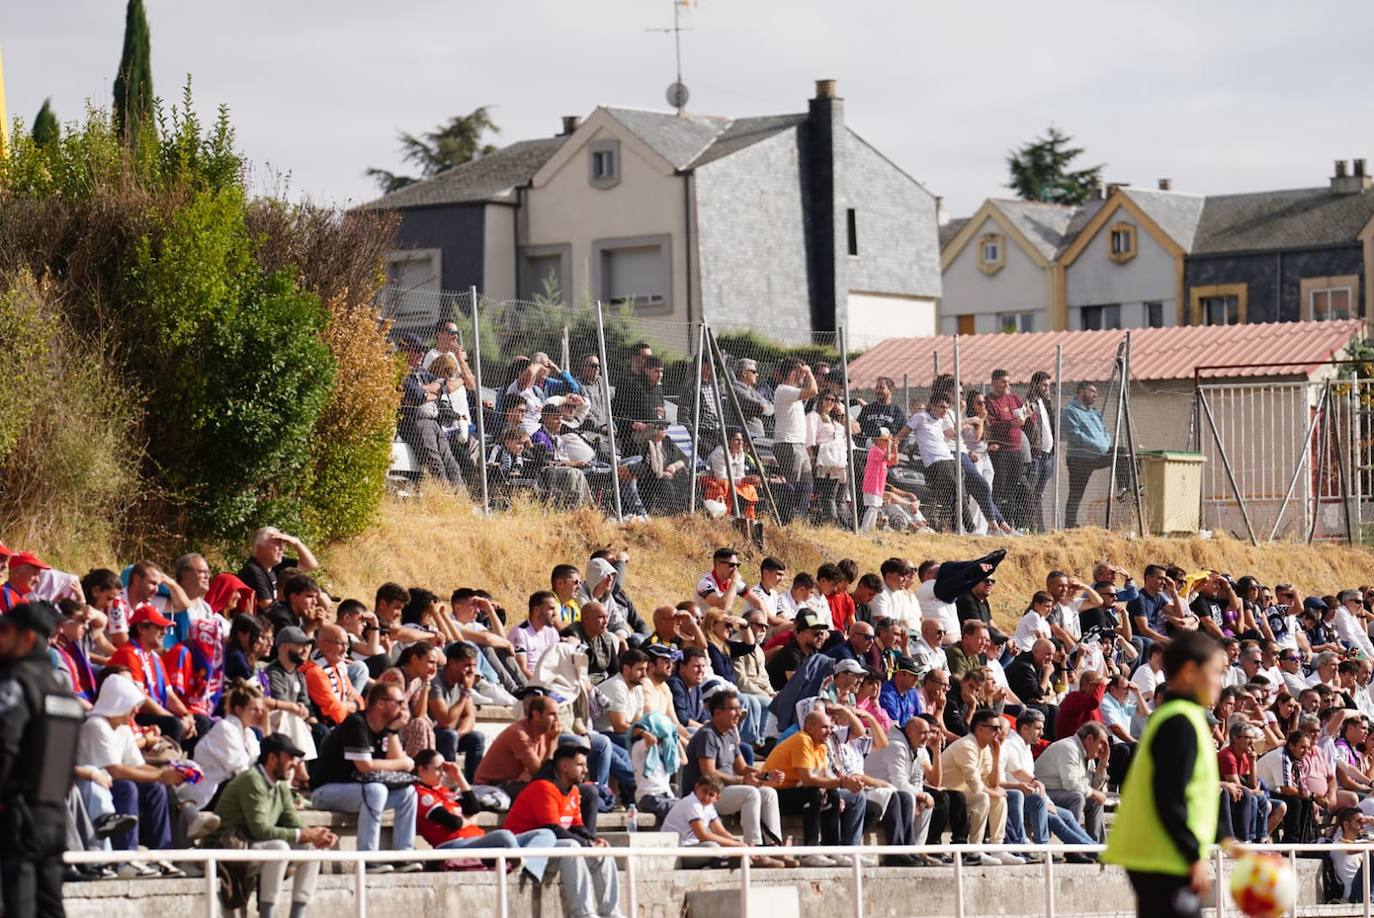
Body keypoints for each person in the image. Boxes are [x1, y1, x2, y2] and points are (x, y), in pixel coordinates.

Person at [1104, 631, 1227, 918]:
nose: (1220, 683)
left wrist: (1225, 839)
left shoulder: (1185, 717)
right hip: (1162, 855)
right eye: (1216, 673)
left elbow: (1198, 792)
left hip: (1164, 854)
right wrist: (1191, 855)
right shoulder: (1179, 722)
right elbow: (1169, 795)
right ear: (1189, 672)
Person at [0, 601, 84, 917]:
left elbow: (5, 743)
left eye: (5, 632)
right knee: (50, 905)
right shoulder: (62, 687)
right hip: (54, 815)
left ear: (26, 638)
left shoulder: (16, 681)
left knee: (19, 904)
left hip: (18, 815)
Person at [211, 733, 336, 918]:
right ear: (272, 758)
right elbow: (260, 830)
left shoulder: (281, 785)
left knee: (311, 848)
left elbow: (292, 821)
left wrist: (318, 835)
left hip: (252, 843)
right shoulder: (252, 780)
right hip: (228, 847)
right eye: (290, 757)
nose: (294, 763)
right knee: (279, 847)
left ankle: (297, 915)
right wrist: (304, 834)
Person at [502, 743, 623, 918]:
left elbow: (576, 825)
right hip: (528, 848)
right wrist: (586, 844)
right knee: (571, 847)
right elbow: (551, 827)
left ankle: (611, 913)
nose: (586, 770)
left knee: (603, 850)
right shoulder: (543, 787)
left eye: (586, 765)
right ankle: (584, 914)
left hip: (553, 845)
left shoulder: (572, 790)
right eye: (580, 765)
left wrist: (593, 840)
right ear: (564, 766)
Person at [308, 682, 419, 866]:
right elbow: (364, 766)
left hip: (357, 792)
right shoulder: (356, 723)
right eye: (399, 702)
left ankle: (403, 854)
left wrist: (392, 732)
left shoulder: (385, 727)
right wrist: (404, 762)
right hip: (325, 792)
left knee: (407, 793)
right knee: (376, 790)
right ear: (381, 704)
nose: (402, 708)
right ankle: (368, 858)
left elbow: (396, 764)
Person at [411, 748, 556, 875]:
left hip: (475, 840)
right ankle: (518, 865)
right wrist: (468, 821)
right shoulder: (421, 794)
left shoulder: (443, 791)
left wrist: (459, 777)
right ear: (422, 769)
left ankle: (527, 869)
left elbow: (474, 808)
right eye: (438, 769)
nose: (443, 774)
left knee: (545, 834)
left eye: (444, 769)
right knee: (503, 836)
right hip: (452, 845)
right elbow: (453, 822)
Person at [681, 691, 787, 863]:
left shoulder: (730, 733)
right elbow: (709, 773)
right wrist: (743, 780)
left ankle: (775, 849)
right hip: (703, 797)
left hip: (725, 792)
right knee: (750, 793)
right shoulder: (707, 735)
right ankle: (755, 851)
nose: (739, 713)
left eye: (740, 708)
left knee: (768, 793)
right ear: (717, 713)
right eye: (733, 709)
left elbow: (742, 768)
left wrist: (767, 775)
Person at [762, 708, 865, 866]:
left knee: (833, 795)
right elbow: (809, 780)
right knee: (813, 794)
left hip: (793, 791)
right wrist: (843, 783)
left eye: (831, 727)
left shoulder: (821, 746)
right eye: (825, 727)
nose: (829, 731)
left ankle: (833, 850)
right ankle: (810, 851)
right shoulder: (802, 740)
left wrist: (837, 792)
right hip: (773, 795)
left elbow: (824, 777)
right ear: (809, 727)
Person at [940, 709, 1024, 865]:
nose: (998, 732)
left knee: (999, 799)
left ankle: (997, 848)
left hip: (964, 794)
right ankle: (975, 850)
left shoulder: (985, 748)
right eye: (994, 728)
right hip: (948, 795)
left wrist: (996, 755)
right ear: (979, 729)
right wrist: (994, 791)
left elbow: (993, 783)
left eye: (999, 728)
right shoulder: (967, 745)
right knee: (983, 797)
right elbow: (976, 784)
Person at [108, 604, 199, 745]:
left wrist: (187, 716)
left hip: (153, 712)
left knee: (200, 722)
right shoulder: (128, 653)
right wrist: (174, 718)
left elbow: (169, 696)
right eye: (159, 627)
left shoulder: (154, 657)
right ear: (141, 629)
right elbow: (140, 699)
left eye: (165, 628)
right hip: (132, 715)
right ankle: (171, 763)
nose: (164, 632)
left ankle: (187, 765)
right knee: (174, 723)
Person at [1060, 382, 1125, 528]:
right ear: (1082, 391)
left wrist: (1104, 444)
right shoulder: (1071, 411)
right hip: (1079, 459)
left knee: (1122, 453)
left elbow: (1104, 430)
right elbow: (1074, 435)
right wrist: (1096, 445)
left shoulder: (1093, 412)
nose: (1095, 395)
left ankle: (1124, 488)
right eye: (1092, 391)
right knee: (1076, 493)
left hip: (1097, 454)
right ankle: (1070, 525)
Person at [1035, 722, 1111, 843]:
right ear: (1090, 738)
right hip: (1042, 794)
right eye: (1102, 742)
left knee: (1094, 800)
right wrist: (1095, 793)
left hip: (1061, 793)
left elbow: (1093, 787)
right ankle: (1074, 849)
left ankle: (1097, 846)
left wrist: (1102, 764)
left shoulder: (1088, 752)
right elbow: (1071, 784)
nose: (1103, 747)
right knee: (1077, 797)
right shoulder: (1069, 748)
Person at [770, 357, 819, 523]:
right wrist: (810, 372)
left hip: (797, 444)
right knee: (795, 485)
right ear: (792, 373)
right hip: (788, 443)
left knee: (806, 484)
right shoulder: (783, 390)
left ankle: (798, 519)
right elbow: (813, 391)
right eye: (800, 373)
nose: (803, 376)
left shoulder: (791, 393)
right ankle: (787, 520)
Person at [428, 642, 486, 780]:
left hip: (450, 736)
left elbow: (469, 718)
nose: (472, 671)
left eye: (474, 665)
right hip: (431, 734)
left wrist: (458, 734)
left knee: (477, 738)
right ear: (453, 663)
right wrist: (465, 692)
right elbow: (444, 721)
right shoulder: (435, 681)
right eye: (467, 665)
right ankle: (448, 785)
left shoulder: (462, 681)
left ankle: (472, 785)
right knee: (449, 735)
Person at [984, 368, 1029, 529]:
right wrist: (1010, 423)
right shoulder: (989, 401)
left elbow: (1025, 411)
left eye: (1008, 382)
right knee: (998, 489)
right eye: (1003, 381)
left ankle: (1008, 524)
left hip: (1017, 450)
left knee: (1011, 490)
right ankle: (993, 524)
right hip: (1001, 451)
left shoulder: (1014, 398)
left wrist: (1028, 414)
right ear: (994, 382)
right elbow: (991, 424)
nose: (1006, 385)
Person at [238, 528, 319, 614]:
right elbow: (268, 607)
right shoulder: (253, 570)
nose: (282, 548)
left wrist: (296, 542)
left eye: (282, 544)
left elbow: (311, 565)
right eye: (277, 543)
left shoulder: (275, 565)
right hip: (265, 624)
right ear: (259, 548)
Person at [731, 358, 775, 440]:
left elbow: (771, 408)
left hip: (755, 435)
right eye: (754, 372)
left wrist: (763, 407)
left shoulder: (751, 390)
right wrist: (762, 407)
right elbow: (759, 406)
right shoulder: (736, 389)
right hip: (746, 436)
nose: (757, 374)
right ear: (744, 373)